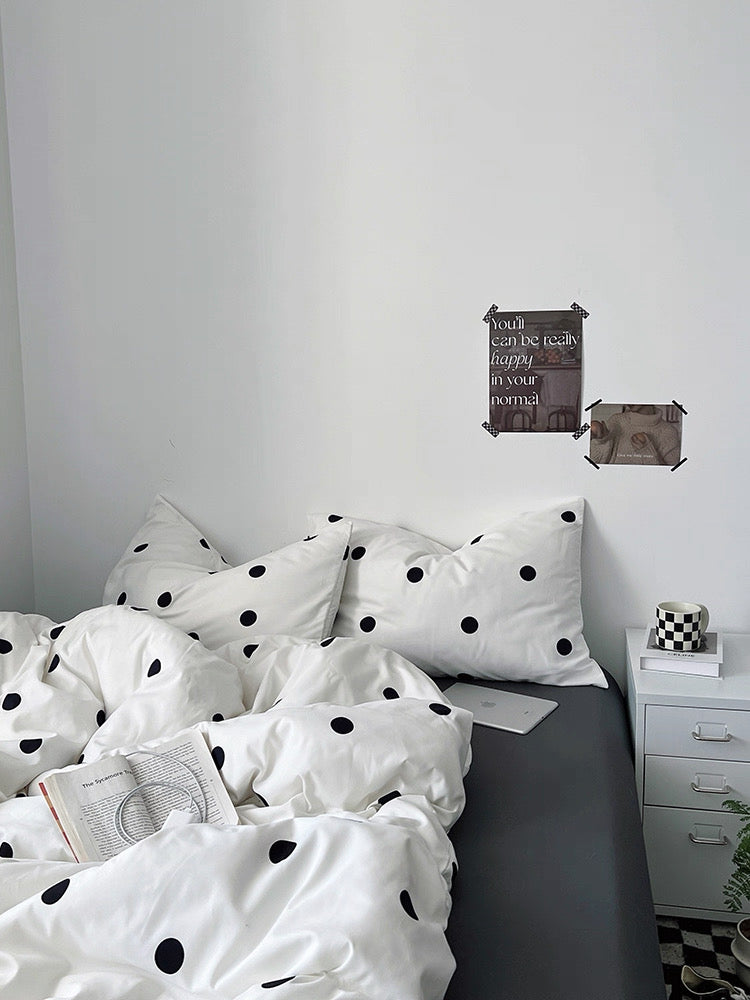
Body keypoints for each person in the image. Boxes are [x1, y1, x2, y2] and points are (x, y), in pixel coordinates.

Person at [590, 405, 681, 466]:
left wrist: (647, 451)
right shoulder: (616, 420)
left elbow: (673, 477)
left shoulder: (669, 432)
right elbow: (593, 463)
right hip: (612, 485)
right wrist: (601, 441)